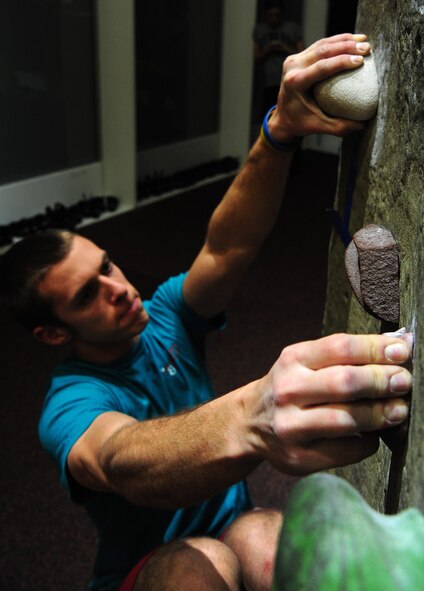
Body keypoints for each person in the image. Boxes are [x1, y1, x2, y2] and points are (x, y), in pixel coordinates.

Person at [0, 35, 413, 591]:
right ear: (52, 333)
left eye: (106, 266)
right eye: (86, 296)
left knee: (268, 534)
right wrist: (251, 418)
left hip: (234, 525)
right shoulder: (69, 404)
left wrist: (279, 132)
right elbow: (118, 458)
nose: (118, 288)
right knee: (190, 567)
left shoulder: (162, 313)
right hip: (149, 566)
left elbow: (227, 248)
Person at [253, 1, 305, 115]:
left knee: (287, 111)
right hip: (266, 79)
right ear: (266, 15)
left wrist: (284, 48)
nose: (274, 19)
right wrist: (268, 50)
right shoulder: (260, 30)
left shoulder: (292, 28)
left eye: (277, 15)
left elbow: (302, 55)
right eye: (271, 15)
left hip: (289, 76)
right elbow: (256, 57)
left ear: (282, 15)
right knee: (267, 112)